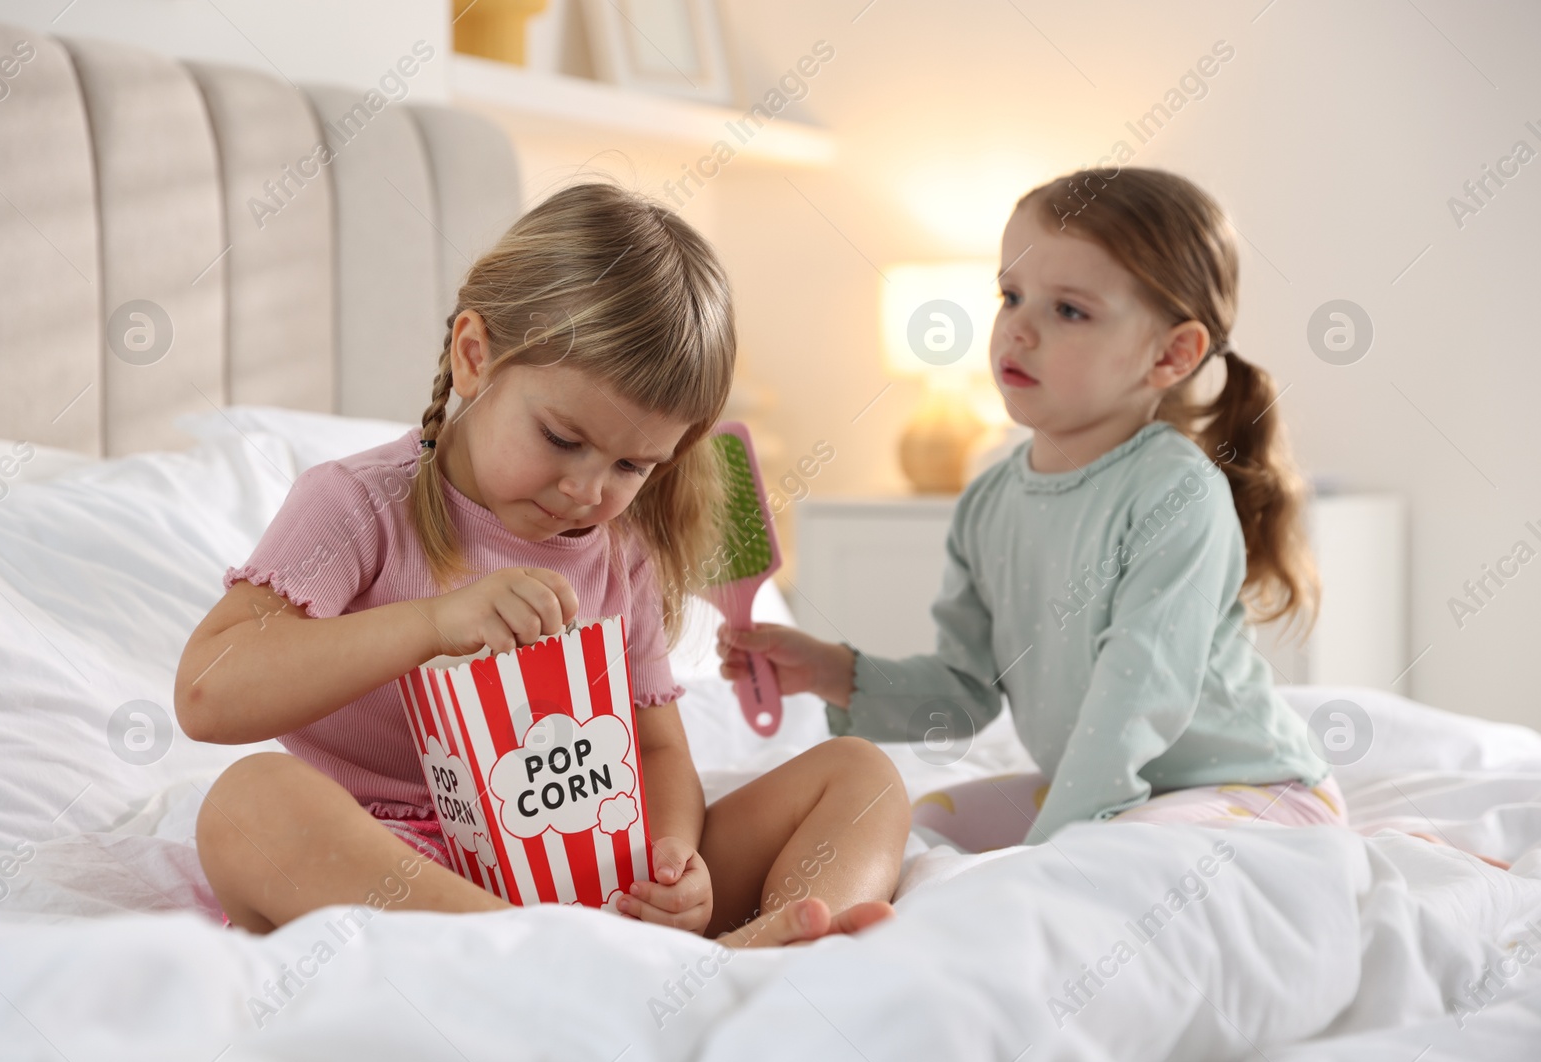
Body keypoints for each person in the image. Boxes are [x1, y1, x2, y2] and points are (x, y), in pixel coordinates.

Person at [178, 183, 909, 945]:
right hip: (402, 872)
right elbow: (208, 691)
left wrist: (671, 859)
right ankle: (549, 959)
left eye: (632, 464)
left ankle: (778, 954)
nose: (587, 490)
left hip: (595, 875)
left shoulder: (621, 554)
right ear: (474, 356)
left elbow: (656, 749)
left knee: (862, 776)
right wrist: (431, 624)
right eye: (562, 438)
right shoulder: (357, 505)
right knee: (247, 804)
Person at [720, 167, 1346, 851]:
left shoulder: (1177, 493)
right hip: (1110, 792)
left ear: (1172, 354)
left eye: (1068, 309)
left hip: (1249, 793)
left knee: (1119, 861)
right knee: (918, 829)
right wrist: (831, 670)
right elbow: (965, 691)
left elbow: (1135, 701)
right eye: (1010, 295)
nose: (1017, 330)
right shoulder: (990, 499)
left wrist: (1056, 848)